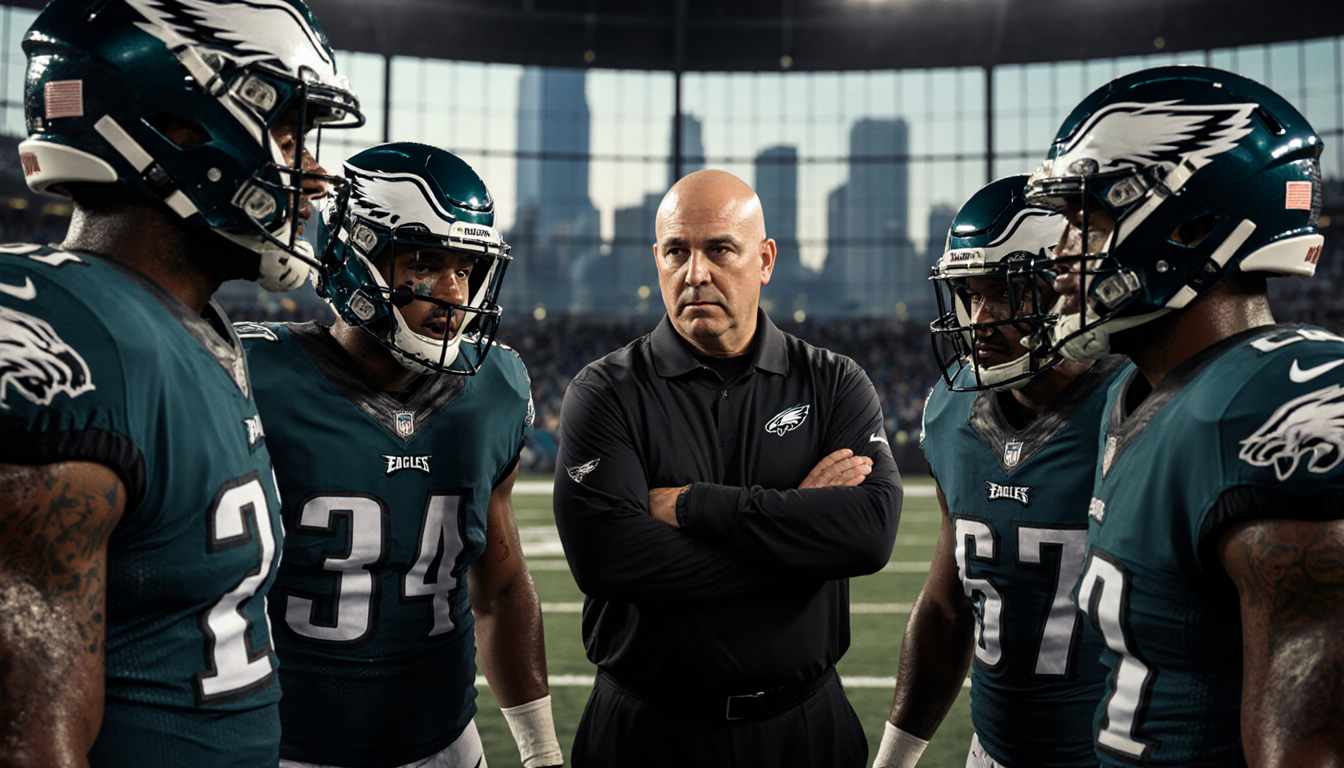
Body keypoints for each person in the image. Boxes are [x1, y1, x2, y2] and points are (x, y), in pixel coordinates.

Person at [0, 1, 361, 766]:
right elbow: (27, 744)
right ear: (183, 129)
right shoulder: (71, 338)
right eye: (288, 135)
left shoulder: (186, 322)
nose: (316, 170)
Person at [1026, 65, 1344, 767]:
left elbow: (1312, 749)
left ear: (1190, 224)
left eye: (1086, 222)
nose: (1059, 255)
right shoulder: (1133, 390)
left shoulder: (1275, 403)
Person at [552, 169, 902, 768]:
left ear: (764, 260)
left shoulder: (836, 382)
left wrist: (693, 505)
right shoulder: (604, 391)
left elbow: (868, 533)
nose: (695, 273)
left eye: (719, 250)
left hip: (804, 730)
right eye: (676, 252)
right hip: (644, 734)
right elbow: (607, 559)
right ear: (657, 261)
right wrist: (800, 539)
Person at [238, 142, 563, 768]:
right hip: (287, 746)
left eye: (467, 269)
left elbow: (498, 588)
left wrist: (541, 751)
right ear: (353, 257)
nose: (453, 292)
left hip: (446, 743)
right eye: (424, 263)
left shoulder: (495, 389)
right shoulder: (254, 376)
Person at [875, 175, 1120, 768]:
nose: (980, 319)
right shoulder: (949, 411)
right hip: (991, 753)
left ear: (1065, 287)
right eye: (969, 294)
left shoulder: (1135, 406)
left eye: (1004, 294)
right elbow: (946, 607)